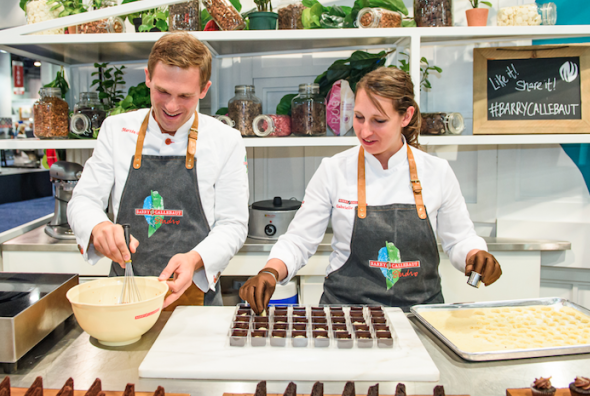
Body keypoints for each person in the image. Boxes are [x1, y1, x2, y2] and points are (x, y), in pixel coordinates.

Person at [240, 67, 502, 313]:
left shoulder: (437, 172)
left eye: (378, 120)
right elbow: (299, 240)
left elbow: (458, 239)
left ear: (406, 116)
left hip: (420, 315)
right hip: (344, 315)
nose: (365, 131)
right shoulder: (334, 170)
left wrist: (475, 254)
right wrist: (271, 272)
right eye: (358, 117)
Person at [68, 32, 249, 308]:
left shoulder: (226, 140)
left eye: (185, 96)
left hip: (195, 297)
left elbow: (233, 224)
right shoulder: (116, 131)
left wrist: (194, 259)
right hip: (125, 293)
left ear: (204, 90)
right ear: (148, 77)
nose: (172, 106)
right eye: (162, 91)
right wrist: (98, 226)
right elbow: (83, 200)